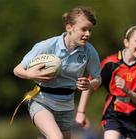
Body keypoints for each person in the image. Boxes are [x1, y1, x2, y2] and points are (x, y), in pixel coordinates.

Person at [13, 6, 101, 139]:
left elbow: (97, 79)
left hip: (67, 107)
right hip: (42, 101)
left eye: (90, 30)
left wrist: (90, 84)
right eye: (84, 29)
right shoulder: (47, 45)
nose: (88, 34)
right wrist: (32, 75)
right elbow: (17, 70)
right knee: (56, 137)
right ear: (69, 27)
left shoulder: (89, 51)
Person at [100, 25, 136, 139]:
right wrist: (81, 112)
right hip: (114, 113)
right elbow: (93, 82)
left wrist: (127, 90)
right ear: (126, 42)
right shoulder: (111, 62)